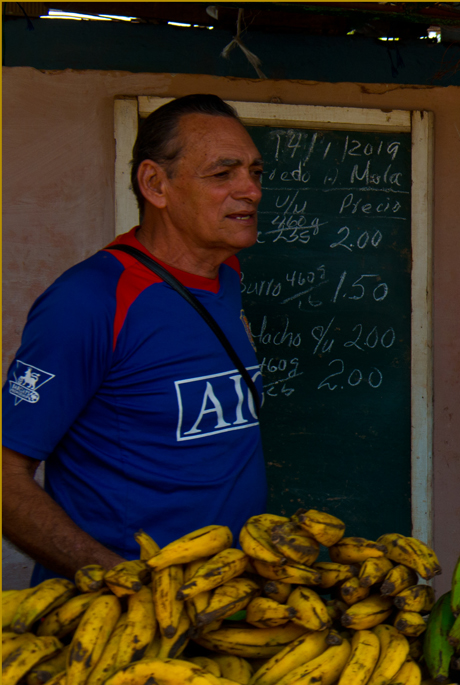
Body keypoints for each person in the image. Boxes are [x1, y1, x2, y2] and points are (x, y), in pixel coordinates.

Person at [3, 94, 266, 584]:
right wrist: (122, 581)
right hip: (122, 616)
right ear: (155, 184)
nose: (249, 190)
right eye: (223, 174)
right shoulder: (90, 301)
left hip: (228, 600)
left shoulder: (227, 277)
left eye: (255, 172)